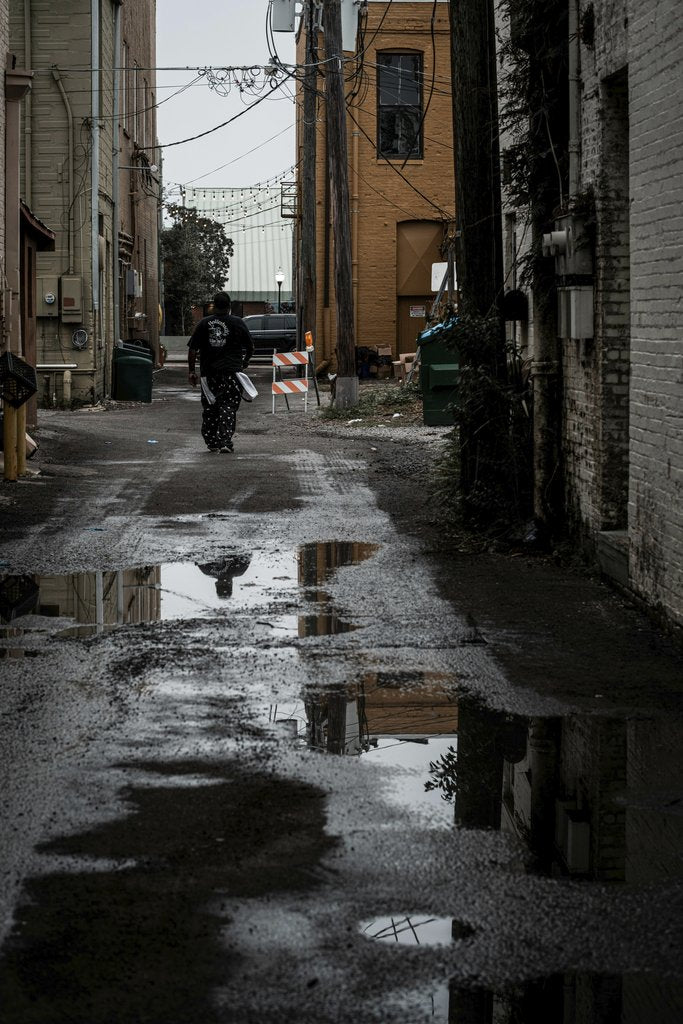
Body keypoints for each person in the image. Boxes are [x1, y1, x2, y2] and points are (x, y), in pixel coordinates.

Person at [187, 291, 254, 453]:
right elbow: (250, 346)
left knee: (211, 406)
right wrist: (244, 362)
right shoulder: (238, 323)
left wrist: (191, 372)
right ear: (229, 306)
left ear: (214, 306)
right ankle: (225, 440)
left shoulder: (204, 324)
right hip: (231, 372)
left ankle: (211, 441)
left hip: (209, 374)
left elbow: (193, 350)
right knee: (228, 406)